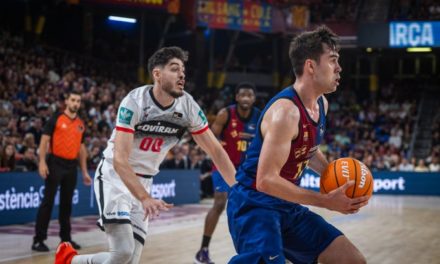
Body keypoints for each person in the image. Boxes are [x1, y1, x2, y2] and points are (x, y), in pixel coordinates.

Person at [55, 46, 236, 264]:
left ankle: (68, 261)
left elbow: (215, 150)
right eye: (174, 69)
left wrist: (238, 189)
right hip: (116, 175)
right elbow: (121, 161)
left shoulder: (187, 105)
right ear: (157, 74)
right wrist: (145, 198)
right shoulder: (135, 102)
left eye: (183, 71)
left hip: (145, 180)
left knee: (130, 260)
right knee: (122, 252)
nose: (182, 75)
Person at [226, 26, 370, 264]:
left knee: (351, 260)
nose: (339, 68)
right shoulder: (285, 113)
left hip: (287, 204)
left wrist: (334, 177)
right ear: (311, 66)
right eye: (333, 60)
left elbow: (308, 150)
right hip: (255, 205)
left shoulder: (322, 104)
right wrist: (324, 201)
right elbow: (265, 180)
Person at [195, 82, 260, 264]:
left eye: (249, 95)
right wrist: (214, 148)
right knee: (220, 202)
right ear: (237, 97)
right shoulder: (226, 114)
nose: (246, 98)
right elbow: (210, 137)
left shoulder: (260, 117)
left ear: (254, 98)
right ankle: (203, 251)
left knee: (253, 208)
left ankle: (254, 250)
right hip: (224, 165)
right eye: (243, 95)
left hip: (246, 170)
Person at [32, 91, 92, 252]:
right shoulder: (56, 118)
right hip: (55, 163)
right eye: (73, 100)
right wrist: (42, 162)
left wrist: (85, 171)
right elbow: (44, 140)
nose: (76, 104)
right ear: (66, 101)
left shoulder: (80, 123)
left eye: (78, 101)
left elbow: (82, 148)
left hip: (71, 166)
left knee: (67, 204)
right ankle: (38, 240)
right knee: (48, 202)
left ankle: (66, 239)